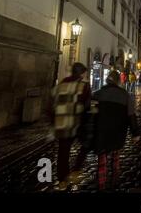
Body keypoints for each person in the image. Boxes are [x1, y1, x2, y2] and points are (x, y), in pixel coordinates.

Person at [92, 71, 140, 190]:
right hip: (118, 132)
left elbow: (90, 113)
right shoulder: (124, 95)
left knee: (102, 160)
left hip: (101, 132)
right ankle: (115, 178)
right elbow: (131, 115)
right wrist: (135, 133)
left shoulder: (98, 93)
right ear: (119, 81)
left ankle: (101, 183)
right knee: (115, 156)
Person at [51, 62, 92, 191]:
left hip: (62, 123)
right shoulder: (84, 86)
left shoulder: (61, 84)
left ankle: (62, 180)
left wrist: (53, 122)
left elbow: (52, 104)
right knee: (86, 146)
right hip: (77, 122)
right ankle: (75, 171)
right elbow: (87, 106)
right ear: (81, 73)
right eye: (84, 73)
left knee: (63, 152)